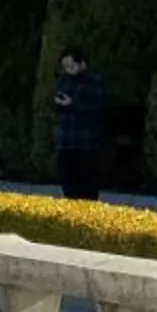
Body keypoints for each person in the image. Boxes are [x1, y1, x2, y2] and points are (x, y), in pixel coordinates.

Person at [52, 47, 107, 202]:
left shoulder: (93, 82)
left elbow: (97, 108)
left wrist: (73, 104)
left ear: (82, 63)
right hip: (67, 141)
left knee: (88, 188)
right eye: (66, 67)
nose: (69, 70)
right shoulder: (63, 81)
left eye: (72, 66)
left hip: (87, 143)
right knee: (69, 187)